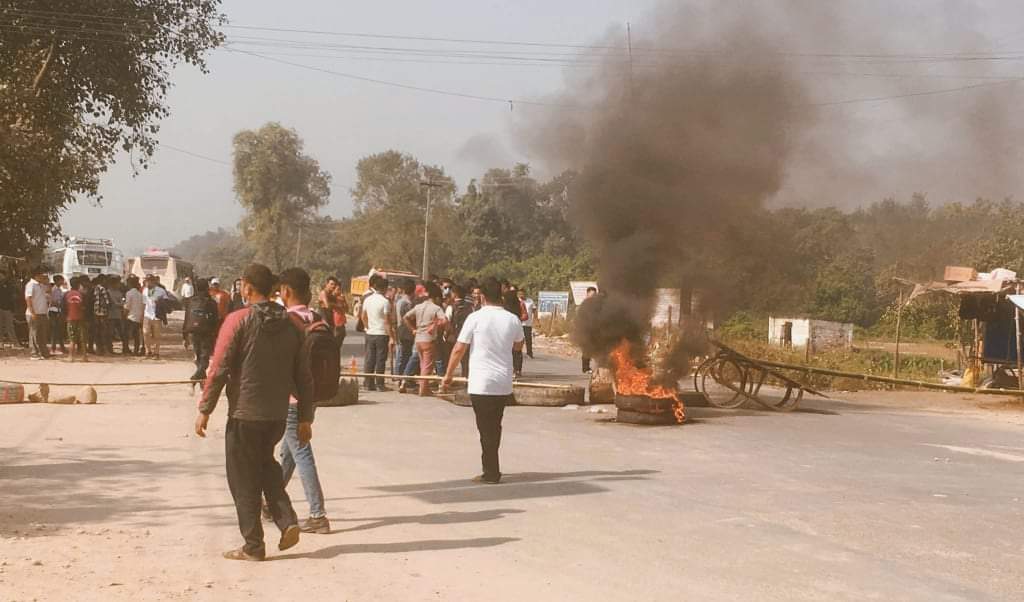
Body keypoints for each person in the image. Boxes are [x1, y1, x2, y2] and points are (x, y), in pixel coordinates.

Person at [195, 263, 314, 562]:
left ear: (247, 287)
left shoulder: (238, 321)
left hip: (245, 414)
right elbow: (304, 376)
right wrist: (305, 417)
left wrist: (204, 409)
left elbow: (219, 367)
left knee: (242, 479)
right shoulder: (293, 325)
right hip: (276, 414)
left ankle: (253, 545)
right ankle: (286, 521)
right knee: (265, 467)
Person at [443, 277, 524, 484]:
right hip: (503, 382)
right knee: (494, 426)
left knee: (485, 428)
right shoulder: (512, 319)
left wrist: (448, 375)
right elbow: (518, 346)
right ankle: (491, 468)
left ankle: (491, 472)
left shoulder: (475, 318)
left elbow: (459, 348)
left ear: (483, 296)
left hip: (481, 382)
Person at [275, 267, 330, 534]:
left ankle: (317, 514)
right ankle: (271, 500)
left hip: (291, 397)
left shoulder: (286, 322)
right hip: (312, 395)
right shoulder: (319, 319)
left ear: (286, 291)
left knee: (301, 451)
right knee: (290, 450)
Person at [403, 281, 447, 397]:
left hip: (418, 339)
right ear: (436, 298)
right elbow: (444, 320)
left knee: (423, 364)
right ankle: (423, 389)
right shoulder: (436, 308)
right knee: (427, 366)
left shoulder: (419, 306)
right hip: (429, 339)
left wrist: (413, 329)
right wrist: (435, 324)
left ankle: (424, 387)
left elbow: (406, 317)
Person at [360, 274, 395, 391]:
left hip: (370, 333)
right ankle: (379, 384)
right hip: (381, 334)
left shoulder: (367, 300)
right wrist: (391, 337)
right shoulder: (385, 302)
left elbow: (363, 316)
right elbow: (387, 321)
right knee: (380, 359)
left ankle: (368, 383)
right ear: (385, 288)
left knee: (370, 358)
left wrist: (367, 327)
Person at [183, 278, 219, 381]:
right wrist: (215, 333)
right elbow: (215, 319)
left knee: (198, 355)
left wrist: (184, 335)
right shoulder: (211, 302)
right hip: (207, 332)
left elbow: (187, 318)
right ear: (207, 288)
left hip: (193, 331)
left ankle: (201, 378)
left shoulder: (190, 301)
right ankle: (197, 376)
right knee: (205, 356)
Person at [24, 266, 51, 360]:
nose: (43, 276)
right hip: (34, 313)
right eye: (41, 274)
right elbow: (28, 298)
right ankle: (34, 353)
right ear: (36, 275)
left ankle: (44, 352)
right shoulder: (31, 285)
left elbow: (48, 292)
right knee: (34, 334)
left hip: (42, 313)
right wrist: (32, 312)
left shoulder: (41, 285)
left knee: (42, 334)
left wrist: (47, 283)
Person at [318, 276, 349, 358]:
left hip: (332, 322)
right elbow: (327, 306)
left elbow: (345, 308)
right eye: (331, 284)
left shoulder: (332, 295)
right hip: (324, 320)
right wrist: (338, 306)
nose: (333, 286)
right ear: (326, 284)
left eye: (334, 285)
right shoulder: (323, 293)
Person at [393, 279, 415, 378]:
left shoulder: (400, 301)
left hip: (401, 330)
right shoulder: (406, 303)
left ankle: (400, 374)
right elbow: (405, 318)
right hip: (404, 331)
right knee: (404, 354)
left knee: (403, 353)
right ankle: (400, 375)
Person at [142, 275, 168, 359]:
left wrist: (160, 301)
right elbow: (144, 303)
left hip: (157, 315)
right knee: (145, 333)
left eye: (148, 281)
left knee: (157, 335)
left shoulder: (161, 291)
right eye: (146, 281)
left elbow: (166, 302)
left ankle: (156, 352)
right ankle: (148, 351)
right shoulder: (145, 291)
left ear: (153, 281)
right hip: (147, 314)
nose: (146, 282)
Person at [64, 277, 88, 362]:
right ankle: (84, 357)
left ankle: (70, 357)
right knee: (83, 338)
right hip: (81, 318)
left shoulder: (66, 294)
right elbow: (85, 307)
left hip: (70, 318)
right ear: (79, 285)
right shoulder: (82, 295)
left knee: (71, 338)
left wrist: (65, 316)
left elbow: (64, 307)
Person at [503, 289, 525, 378]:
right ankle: (517, 370)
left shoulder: (504, 307)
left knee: (508, 350)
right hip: (516, 327)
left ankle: (510, 370)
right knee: (517, 351)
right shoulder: (518, 305)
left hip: (506, 329)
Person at [123, 276, 145, 356]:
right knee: (136, 335)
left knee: (126, 334)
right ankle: (136, 350)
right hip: (138, 317)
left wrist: (124, 314)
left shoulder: (129, 293)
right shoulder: (140, 294)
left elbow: (127, 306)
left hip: (131, 316)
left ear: (130, 284)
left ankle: (126, 349)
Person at [106, 275, 126, 354]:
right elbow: (115, 303)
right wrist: (120, 304)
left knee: (122, 332)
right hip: (111, 315)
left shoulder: (119, 292)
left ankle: (125, 348)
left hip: (118, 315)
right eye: (117, 283)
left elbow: (120, 303)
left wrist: (119, 304)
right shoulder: (108, 292)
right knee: (110, 333)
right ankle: (110, 349)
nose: (119, 285)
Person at [48, 275, 67, 355]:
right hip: (54, 311)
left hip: (58, 311)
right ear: (57, 281)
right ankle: (53, 348)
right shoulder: (54, 290)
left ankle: (61, 347)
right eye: (61, 280)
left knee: (59, 330)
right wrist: (60, 304)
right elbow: (53, 302)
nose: (63, 282)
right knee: (55, 330)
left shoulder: (59, 289)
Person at [581, 286, 598, 373]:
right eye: (591, 295)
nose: (593, 297)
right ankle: (585, 368)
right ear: (587, 295)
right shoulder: (584, 305)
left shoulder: (597, 305)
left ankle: (599, 368)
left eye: (594, 295)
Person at [0, 270, 18, 348]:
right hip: (0, 308)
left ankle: (14, 342)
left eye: (1, 275)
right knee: (1, 326)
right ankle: (1, 342)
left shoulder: (9, 285)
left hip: (8, 308)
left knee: (9, 326)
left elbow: (13, 296)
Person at [518, 288, 536, 359]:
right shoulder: (517, 301)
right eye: (519, 293)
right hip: (519, 323)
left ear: (525, 293)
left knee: (528, 339)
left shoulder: (530, 301)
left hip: (528, 323)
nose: (521, 295)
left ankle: (529, 353)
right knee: (519, 339)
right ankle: (518, 353)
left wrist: (536, 320)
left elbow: (534, 310)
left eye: (522, 293)